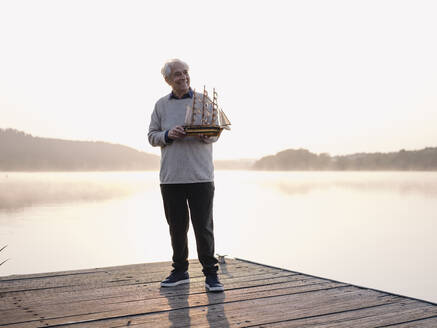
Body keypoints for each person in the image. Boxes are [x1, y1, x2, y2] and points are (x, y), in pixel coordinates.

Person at [148, 58, 224, 292]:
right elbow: (152, 136)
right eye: (177, 75)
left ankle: (211, 275)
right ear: (168, 80)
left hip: (201, 177)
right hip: (171, 178)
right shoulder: (161, 105)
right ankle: (180, 271)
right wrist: (169, 134)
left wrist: (206, 136)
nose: (183, 77)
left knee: (204, 227)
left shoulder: (204, 101)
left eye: (185, 73)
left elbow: (216, 132)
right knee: (177, 228)